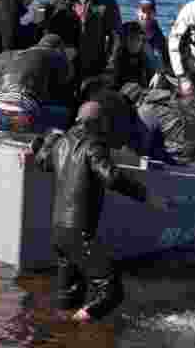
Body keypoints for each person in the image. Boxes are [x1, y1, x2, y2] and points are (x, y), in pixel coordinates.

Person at [24, 101, 170, 322]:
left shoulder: (60, 142)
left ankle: (63, 338)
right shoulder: (94, 145)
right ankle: (78, 325)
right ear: (99, 123)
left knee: (68, 297)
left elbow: (42, 161)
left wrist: (40, 143)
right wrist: (148, 197)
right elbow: (111, 177)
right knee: (111, 292)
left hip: (58, 232)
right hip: (79, 233)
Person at [40, 0, 122, 90]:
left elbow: (116, 38)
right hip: (63, 66)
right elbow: (45, 31)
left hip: (93, 68)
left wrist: (110, 68)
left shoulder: (107, 1)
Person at [0, 34, 73, 133]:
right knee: (66, 114)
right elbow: (67, 78)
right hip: (24, 114)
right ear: (58, 48)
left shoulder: (9, 55)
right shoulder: (55, 55)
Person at [136, 0, 172, 83]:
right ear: (137, 12)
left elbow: (162, 55)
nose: (146, 16)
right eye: (143, 11)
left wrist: (159, 73)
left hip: (155, 74)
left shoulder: (158, 34)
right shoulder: (130, 29)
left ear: (154, 13)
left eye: (150, 12)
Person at [112, 21, 150, 89]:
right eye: (134, 38)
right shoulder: (119, 56)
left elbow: (144, 81)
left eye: (141, 40)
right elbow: (116, 82)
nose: (138, 43)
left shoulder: (142, 56)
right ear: (125, 40)